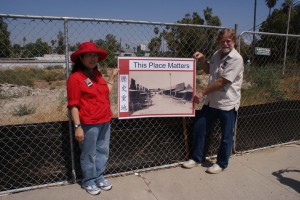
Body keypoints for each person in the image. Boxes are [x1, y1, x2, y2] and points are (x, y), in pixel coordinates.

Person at [182, 28, 244, 174]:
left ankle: (221, 163)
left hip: (227, 104)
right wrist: (203, 60)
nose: (225, 43)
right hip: (211, 102)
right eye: (222, 40)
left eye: (228, 40)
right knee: (199, 128)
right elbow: (209, 70)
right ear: (218, 42)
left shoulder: (236, 59)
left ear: (233, 42)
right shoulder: (217, 54)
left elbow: (222, 81)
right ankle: (197, 159)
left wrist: (202, 93)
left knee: (226, 136)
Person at [67, 41, 119, 195]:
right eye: (89, 55)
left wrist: (112, 76)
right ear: (81, 58)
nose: (93, 58)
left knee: (103, 151)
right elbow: (73, 105)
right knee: (89, 153)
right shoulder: (75, 78)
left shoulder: (97, 74)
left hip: (104, 120)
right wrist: (78, 127)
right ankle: (88, 180)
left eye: (95, 55)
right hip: (88, 123)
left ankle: (99, 176)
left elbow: (105, 92)